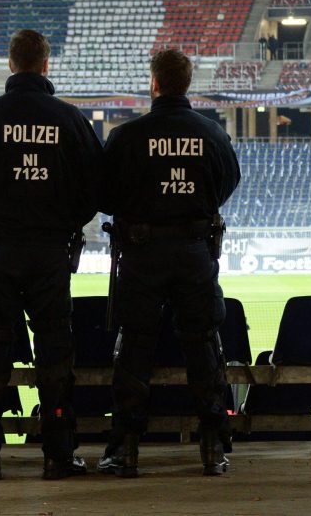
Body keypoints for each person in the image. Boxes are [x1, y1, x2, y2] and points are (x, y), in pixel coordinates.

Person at [0, 28, 102, 481]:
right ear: (45, 65)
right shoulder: (70, 120)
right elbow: (95, 187)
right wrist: (65, 222)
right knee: (55, 354)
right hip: (51, 253)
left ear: (10, 65)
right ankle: (58, 455)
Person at [97, 47, 241, 478]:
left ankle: (125, 448)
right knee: (203, 344)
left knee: (134, 348)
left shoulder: (127, 136)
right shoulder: (212, 134)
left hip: (142, 254)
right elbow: (227, 183)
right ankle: (213, 445)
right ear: (187, 84)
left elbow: (104, 197)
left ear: (154, 83)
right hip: (196, 252)